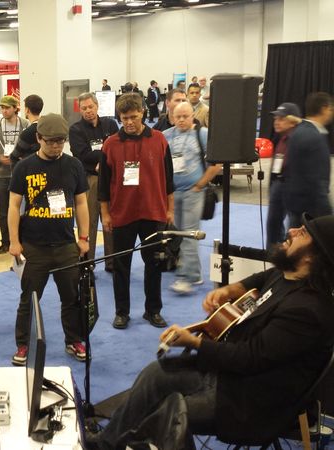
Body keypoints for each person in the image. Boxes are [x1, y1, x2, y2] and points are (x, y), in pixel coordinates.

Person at [88, 213, 334, 450]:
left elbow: (248, 358)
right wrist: (228, 290)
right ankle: (105, 443)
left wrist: (195, 343)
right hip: (232, 376)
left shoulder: (307, 311)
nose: (291, 231)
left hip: (251, 402)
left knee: (166, 413)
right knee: (155, 374)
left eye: (302, 233)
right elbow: (260, 279)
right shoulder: (288, 274)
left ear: (313, 257)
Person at [8, 114, 90, 365]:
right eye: (50, 141)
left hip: (66, 245)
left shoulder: (74, 165)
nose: (56, 146)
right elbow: (14, 206)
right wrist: (14, 241)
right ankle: (23, 344)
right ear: (38, 138)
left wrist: (84, 237)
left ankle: (74, 340)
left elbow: (81, 203)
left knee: (72, 298)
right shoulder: (24, 167)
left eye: (60, 141)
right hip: (34, 247)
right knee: (29, 299)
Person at [99, 94, 174, 330]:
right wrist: (105, 214)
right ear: (119, 118)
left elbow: (169, 180)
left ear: (142, 112)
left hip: (153, 213)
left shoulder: (159, 140)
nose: (129, 122)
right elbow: (103, 185)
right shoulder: (110, 144)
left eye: (133, 117)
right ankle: (122, 312)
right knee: (121, 266)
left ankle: (153, 310)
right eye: (124, 118)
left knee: (154, 265)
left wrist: (170, 209)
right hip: (122, 214)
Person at [162, 103, 221, 294]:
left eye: (185, 116)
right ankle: (194, 274)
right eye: (177, 116)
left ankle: (185, 277)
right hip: (173, 193)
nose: (181, 120)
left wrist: (200, 185)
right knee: (181, 233)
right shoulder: (166, 135)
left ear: (192, 115)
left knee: (189, 234)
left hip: (193, 192)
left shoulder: (202, 134)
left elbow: (216, 164)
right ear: (172, 117)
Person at [69, 93, 120, 272]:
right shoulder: (75, 130)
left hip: (111, 179)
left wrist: (102, 160)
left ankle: (111, 261)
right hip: (89, 180)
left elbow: (118, 147)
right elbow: (81, 154)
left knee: (110, 221)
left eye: (91, 107)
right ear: (80, 110)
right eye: (84, 108)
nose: (88, 111)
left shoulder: (110, 124)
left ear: (97, 106)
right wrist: (105, 156)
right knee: (87, 223)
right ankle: (86, 263)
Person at [0, 95, 30, 254]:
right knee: (4, 211)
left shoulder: (26, 125)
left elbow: (33, 147)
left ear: (15, 108)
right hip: (2, 175)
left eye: (7, 108)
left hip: (22, 174)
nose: (4, 111)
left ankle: (25, 240)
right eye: (2, 108)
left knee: (27, 208)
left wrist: (24, 158)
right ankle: (5, 242)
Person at [283, 92, 333, 228]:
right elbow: (317, 180)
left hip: (295, 203)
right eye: (330, 109)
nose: (331, 113)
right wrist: (327, 215)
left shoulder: (298, 131)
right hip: (311, 210)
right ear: (324, 109)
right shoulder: (315, 137)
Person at [265, 102, 302, 246]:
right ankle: (273, 254)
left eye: (281, 118)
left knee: (293, 229)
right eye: (275, 118)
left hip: (294, 189)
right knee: (272, 226)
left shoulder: (301, 140)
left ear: (292, 121)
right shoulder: (279, 138)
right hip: (278, 185)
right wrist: (272, 186)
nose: (276, 121)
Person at [10, 94, 43, 168]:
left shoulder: (27, 133)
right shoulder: (47, 128)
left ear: (27, 110)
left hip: (31, 171)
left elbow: (14, 156)